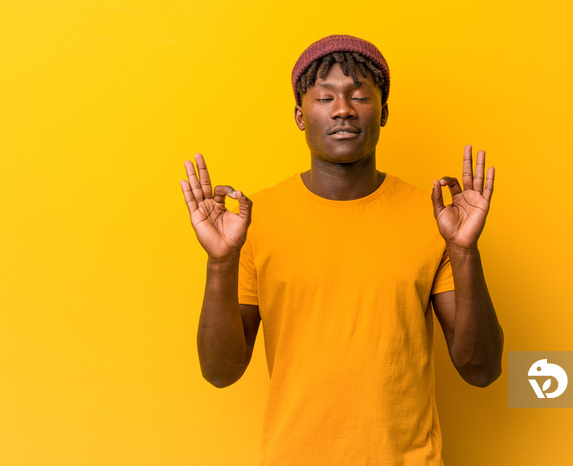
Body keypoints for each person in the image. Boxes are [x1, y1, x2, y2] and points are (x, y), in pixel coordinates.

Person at [180, 35, 504, 466]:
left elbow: (480, 369)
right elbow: (220, 372)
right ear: (300, 115)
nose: (343, 109)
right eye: (325, 96)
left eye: (360, 96)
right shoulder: (254, 220)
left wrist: (464, 251)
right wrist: (221, 262)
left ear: (383, 112)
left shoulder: (434, 218)